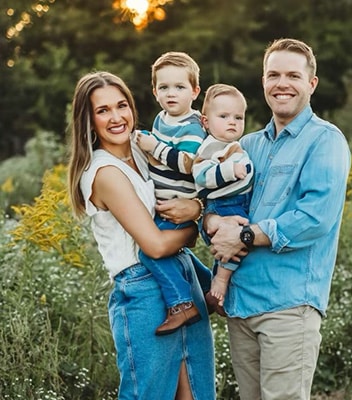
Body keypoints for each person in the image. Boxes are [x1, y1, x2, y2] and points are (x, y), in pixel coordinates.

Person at [203, 38, 351, 400]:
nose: (281, 83)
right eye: (273, 74)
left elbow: (315, 218)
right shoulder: (246, 145)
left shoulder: (325, 141)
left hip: (289, 307)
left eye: (292, 75)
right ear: (263, 81)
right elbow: (215, 200)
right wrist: (210, 224)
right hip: (240, 305)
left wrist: (246, 236)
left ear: (311, 83)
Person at [67, 71, 215, 400]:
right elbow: (156, 245)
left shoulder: (143, 149)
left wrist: (197, 205)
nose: (117, 117)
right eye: (102, 110)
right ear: (88, 120)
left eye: (122, 105)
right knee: (148, 394)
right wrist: (196, 221)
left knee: (194, 392)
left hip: (181, 278)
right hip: (143, 289)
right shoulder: (104, 172)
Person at [134, 51, 212, 335]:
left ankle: (182, 303)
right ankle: (207, 285)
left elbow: (187, 164)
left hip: (179, 203)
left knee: (150, 250)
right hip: (165, 202)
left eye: (179, 87)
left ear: (194, 91)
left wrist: (154, 148)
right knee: (173, 251)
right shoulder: (161, 118)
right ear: (155, 92)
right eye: (164, 87)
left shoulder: (192, 126)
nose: (171, 94)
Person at [192, 83, 253, 309]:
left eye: (238, 117)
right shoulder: (210, 147)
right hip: (225, 204)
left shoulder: (232, 144)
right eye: (224, 116)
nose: (232, 122)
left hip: (236, 202)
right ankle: (220, 280)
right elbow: (200, 174)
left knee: (234, 243)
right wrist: (229, 171)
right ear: (206, 122)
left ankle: (217, 293)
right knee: (237, 243)